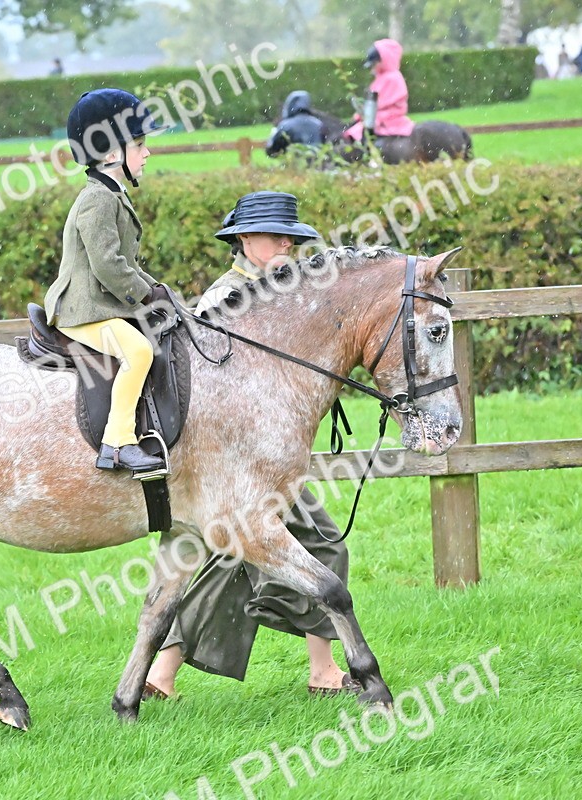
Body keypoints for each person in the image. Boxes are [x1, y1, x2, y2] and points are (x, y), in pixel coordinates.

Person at [143, 191, 363, 699]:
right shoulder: (224, 298)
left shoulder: (289, 291)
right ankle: (321, 671)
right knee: (299, 549)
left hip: (263, 459)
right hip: (231, 463)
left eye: (291, 237)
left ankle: (162, 675)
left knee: (251, 558)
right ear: (244, 239)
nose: (286, 244)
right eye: (275, 236)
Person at [44, 88, 171, 477]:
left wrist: (158, 290)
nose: (147, 153)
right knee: (139, 351)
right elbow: (107, 266)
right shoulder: (98, 199)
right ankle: (117, 444)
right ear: (112, 153)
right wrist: (144, 295)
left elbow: (125, 263)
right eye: (140, 144)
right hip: (82, 308)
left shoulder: (111, 194)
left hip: (99, 305)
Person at [344, 38, 415, 143]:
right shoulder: (381, 77)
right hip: (379, 116)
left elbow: (380, 103)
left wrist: (365, 111)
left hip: (390, 118)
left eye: (374, 64)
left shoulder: (392, 78)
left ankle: (368, 150)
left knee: (357, 133)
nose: (372, 68)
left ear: (384, 60)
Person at [264, 91, 330, 158]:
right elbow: (327, 147)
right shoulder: (319, 124)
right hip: (317, 163)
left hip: (293, 163)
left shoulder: (285, 125)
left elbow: (272, 151)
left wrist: (273, 135)